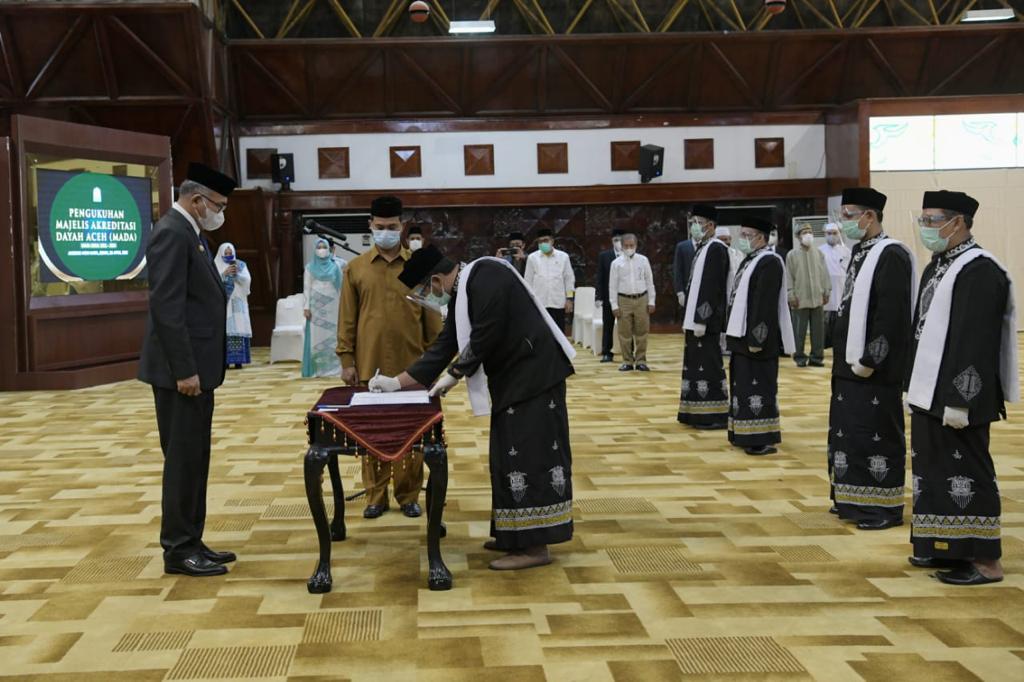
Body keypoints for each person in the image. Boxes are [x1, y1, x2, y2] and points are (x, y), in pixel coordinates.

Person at [370, 245, 576, 571]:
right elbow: (445, 345)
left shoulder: (486, 275)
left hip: (535, 380)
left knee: (531, 458)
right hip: (515, 383)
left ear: (435, 280)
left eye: (424, 291)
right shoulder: (465, 292)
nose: (428, 298)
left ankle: (536, 547)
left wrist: (454, 375)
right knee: (508, 459)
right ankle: (515, 536)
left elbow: (485, 334)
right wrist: (396, 383)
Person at [906, 190, 1017, 586]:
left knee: (968, 471)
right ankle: (946, 547)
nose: (925, 228)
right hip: (931, 389)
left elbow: (975, 341)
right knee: (934, 469)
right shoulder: (939, 265)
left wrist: (960, 399)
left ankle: (986, 561)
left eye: (932, 220)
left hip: (960, 395)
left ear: (958, 223)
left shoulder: (979, 270)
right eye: (923, 219)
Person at [138, 162, 237, 577]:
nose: (220, 213)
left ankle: (193, 540)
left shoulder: (190, 233)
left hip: (198, 369)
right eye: (219, 206)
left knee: (196, 458)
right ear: (197, 200)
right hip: (182, 375)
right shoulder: (172, 233)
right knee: (182, 461)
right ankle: (178, 549)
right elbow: (167, 307)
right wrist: (184, 370)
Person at [337, 195, 443, 519]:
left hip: (412, 367)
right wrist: (346, 361)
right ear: (370, 225)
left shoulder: (419, 266)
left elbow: (433, 320)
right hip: (368, 366)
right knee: (371, 432)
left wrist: (435, 364)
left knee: (413, 432)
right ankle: (375, 495)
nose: (386, 231)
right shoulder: (356, 269)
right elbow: (347, 318)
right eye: (380, 226)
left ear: (402, 226)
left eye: (392, 226)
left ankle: (408, 494)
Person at [828, 188, 915, 530]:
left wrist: (871, 359)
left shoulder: (890, 254)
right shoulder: (860, 251)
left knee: (875, 435)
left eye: (849, 215)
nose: (844, 222)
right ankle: (851, 498)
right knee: (849, 434)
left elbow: (891, 316)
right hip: (849, 365)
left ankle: (881, 508)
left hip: (873, 369)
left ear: (869, 216)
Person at [725, 216, 795, 456]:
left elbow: (764, 303)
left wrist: (758, 338)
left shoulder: (769, 262)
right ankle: (743, 433)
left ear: (761, 238)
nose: (743, 239)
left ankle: (759, 438)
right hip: (742, 337)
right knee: (742, 387)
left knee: (758, 387)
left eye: (748, 235)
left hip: (757, 340)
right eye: (742, 234)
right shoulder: (750, 260)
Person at [678, 205, 730, 429]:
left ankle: (712, 415)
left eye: (698, 222)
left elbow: (712, 287)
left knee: (708, 366)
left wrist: (702, 319)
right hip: (695, 319)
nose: (694, 226)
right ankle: (694, 411)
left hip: (706, 322)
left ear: (710, 225)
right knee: (694, 365)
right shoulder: (703, 247)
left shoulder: (716, 248)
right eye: (693, 223)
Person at [608, 233, 655, 372]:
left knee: (642, 332)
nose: (629, 248)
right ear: (621, 246)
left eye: (632, 245)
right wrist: (614, 305)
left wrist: (652, 301)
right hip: (623, 300)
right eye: (626, 246)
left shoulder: (643, 260)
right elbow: (612, 286)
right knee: (624, 333)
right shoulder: (616, 263)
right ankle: (627, 361)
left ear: (636, 245)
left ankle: (641, 361)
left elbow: (650, 281)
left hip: (642, 299)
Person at [786, 224, 831, 367]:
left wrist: (826, 291)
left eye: (810, 232)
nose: (808, 234)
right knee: (799, 331)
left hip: (817, 297)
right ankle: (799, 357)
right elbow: (788, 277)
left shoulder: (819, 253)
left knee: (818, 331)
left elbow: (824, 274)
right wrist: (790, 294)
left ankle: (816, 358)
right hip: (800, 298)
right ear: (798, 236)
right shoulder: (792, 255)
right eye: (805, 232)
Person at [302, 238, 343, 378]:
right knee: (317, 335)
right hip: (316, 306)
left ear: (329, 249)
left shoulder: (335, 266)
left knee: (333, 334)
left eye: (324, 247)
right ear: (314, 250)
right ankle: (318, 369)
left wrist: (344, 306)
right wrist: (306, 307)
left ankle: (334, 368)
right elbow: (306, 288)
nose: (321, 250)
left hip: (333, 304)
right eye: (318, 247)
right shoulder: (309, 267)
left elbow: (340, 287)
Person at [524, 228, 574, 331]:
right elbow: (527, 281)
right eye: (540, 241)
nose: (543, 243)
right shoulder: (532, 258)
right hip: (539, 303)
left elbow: (569, 279)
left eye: (546, 240)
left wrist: (569, 299)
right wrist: (529, 302)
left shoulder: (563, 257)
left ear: (552, 241)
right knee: (541, 333)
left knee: (558, 333)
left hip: (558, 303)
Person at [215, 242, 252, 369]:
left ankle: (239, 361)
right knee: (224, 332)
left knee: (238, 329)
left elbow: (247, 280)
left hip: (237, 302)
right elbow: (211, 282)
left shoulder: (240, 265)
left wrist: (237, 275)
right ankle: (225, 361)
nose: (228, 255)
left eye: (230, 253)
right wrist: (224, 274)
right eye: (226, 253)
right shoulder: (215, 265)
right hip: (223, 304)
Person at [819, 222, 851, 348]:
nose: (832, 235)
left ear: (839, 234)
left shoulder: (846, 251)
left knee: (840, 317)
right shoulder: (819, 251)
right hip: (825, 288)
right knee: (824, 319)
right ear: (825, 234)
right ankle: (824, 344)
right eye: (829, 233)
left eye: (834, 233)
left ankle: (838, 343)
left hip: (842, 288)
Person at [595, 229, 624, 363]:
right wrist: (598, 296)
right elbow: (600, 277)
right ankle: (607, 352)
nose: (618, 242)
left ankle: (629, 352)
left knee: (627, 327)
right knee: (608, 326)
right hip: (608, 297)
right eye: (615, 240)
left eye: (620, 240)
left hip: (625, 297)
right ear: (612, 241)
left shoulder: (629, 255)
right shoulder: (604, 256)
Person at [672, 223, 696, 312]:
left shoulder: (708, 246)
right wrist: (680, 292)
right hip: (687, 290)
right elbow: (677, 270)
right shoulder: (682, 246)